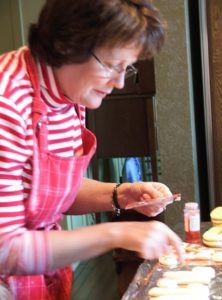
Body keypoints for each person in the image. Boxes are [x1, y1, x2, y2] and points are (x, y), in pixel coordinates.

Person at [0, 0, 183, 299]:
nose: (120, 82)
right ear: (66, 44)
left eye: (127, 68)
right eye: (112, 65)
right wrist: (116, 233)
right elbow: (4, 248)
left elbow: (51, 193)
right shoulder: (7, 101)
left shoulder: (69, 92)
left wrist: (122, 194)